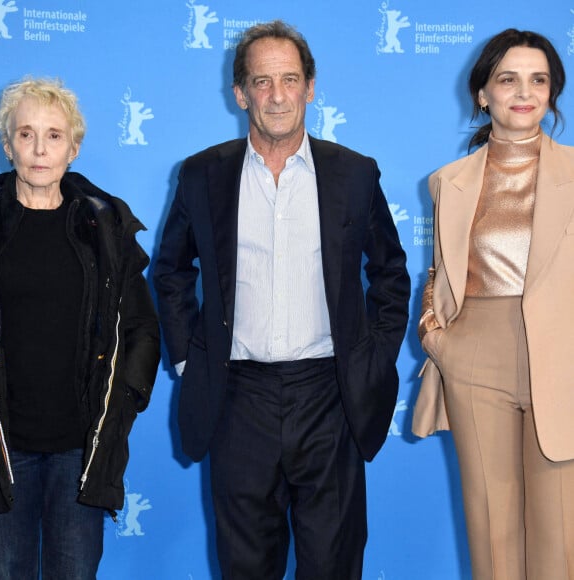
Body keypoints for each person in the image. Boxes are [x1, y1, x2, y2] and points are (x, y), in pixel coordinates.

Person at [155, 19, 410, 580]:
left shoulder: (355, 174)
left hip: (329, 396)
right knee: (245, 565)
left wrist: (373, 357)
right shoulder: (202, 175)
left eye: (289, 80)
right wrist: (188, 358)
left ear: (310, 87)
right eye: (262, 82)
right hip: (237, 398)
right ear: (241, 92)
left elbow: (390, 273)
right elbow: (171, 269)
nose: (277, 96)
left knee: (333, 564)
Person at [413, 29, 574, 580]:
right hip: (476, 357)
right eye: (508, 79)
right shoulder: (449, 182)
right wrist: (436, 336)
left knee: (560, 542)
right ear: (483, 93)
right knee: (492, 536)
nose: (523, 92)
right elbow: (440, 272)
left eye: (538, 80)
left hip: (563, 362)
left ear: (552, 94)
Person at [0, 77, 160, 579]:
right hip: (1, 449)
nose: (40, 149)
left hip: (79, 450)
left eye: (54, 135)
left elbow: (141, 329)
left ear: (75, 147)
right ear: (8, 146)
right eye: (26, 135)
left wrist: (121, 405)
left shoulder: (104, 228)